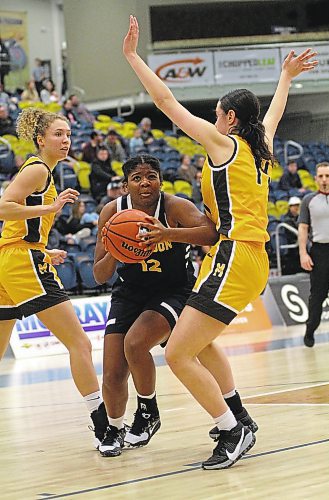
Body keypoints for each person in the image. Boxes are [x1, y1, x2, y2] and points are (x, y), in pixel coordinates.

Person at [123, 16, 318, 469]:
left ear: (230, 119)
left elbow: (166, 100)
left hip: (233, 254)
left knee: (176, 353)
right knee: (199, 343)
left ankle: (231, 431)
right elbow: (274, 113)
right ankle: (241, 417)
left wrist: (133, 57)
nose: (211, 119)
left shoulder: (223, 143)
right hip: (247, 258)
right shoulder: (260, 145)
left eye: (215, 113)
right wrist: (284, 77)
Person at [93, 154, 218, 457]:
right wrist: (117, 248)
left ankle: (148, 412)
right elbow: (99, 275)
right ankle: (114, 427)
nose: (145, 182)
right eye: (137, 177)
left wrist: (167, 233)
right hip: (130, 292)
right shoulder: (112, 212)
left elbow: (211, 234)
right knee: (111, 372)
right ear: (126, 185)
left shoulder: (174, 206)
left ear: (161, 180)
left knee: (136, 344)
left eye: (151, 176)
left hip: (173, 289)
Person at [0, 107, 108, 449]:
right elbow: (3, 207)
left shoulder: (42, 171)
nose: (66, 140)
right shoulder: (36, 170)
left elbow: (14, 229)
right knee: (80, 343)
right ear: (40, 139)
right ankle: (104, 427)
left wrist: (43, 250)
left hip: (11, 257)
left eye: (68, 135)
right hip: (20, 262)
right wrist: (49, 209)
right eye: (59, 134)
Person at [298, 162, 329, 347]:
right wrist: (303, 253)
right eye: (321, 176)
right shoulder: (308, 201)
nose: (324, 180)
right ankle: (310, 330)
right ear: (315, 179)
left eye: (327, 176)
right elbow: (303, 228)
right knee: (317, 296)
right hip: (320, 252)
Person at [280, 196, 302, 275]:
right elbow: (293, 233)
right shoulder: (286, 219)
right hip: (292, 246)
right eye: (294, 206)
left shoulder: (302, 216)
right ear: (290, 207)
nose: (296, 208)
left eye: (297, 205)